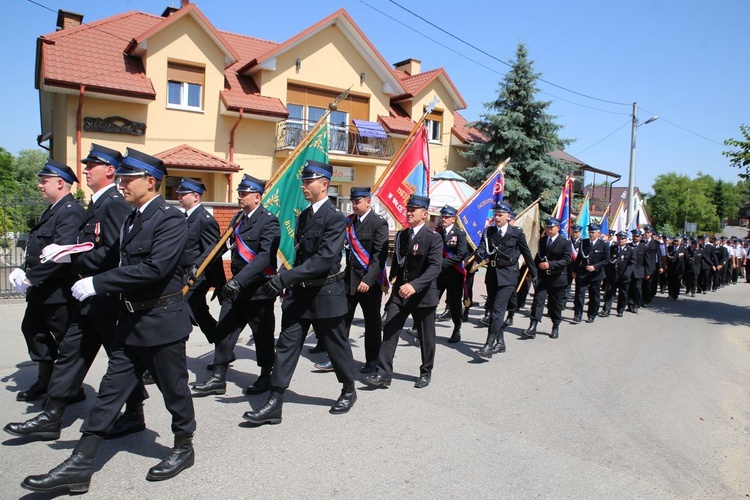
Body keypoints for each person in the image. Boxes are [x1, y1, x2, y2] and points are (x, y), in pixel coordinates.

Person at [22, 148, 196, 494]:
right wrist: (67, 253)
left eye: (128, 179)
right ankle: (79, 464)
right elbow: (109, 254)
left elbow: (154, 269)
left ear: (150, 181)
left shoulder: (170, 219)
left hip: (161, 322)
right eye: (120, 178)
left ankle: (183, 446)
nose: (121, 184)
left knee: (174, 390)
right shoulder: (132, 218)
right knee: (109, 392)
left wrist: (98, 283)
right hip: (129, 321)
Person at [5, 144, 148, 441]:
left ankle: (134, 413)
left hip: (104, 296)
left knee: (120, 357)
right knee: (72, 353)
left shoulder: (114, 203)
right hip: (86, 297)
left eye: (92, 165)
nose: (85, 169)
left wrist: (71, 256)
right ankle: (52, 414)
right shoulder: (97, 203)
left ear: (109, 170)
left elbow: (113, 252)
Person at [242, 160, 357, 425]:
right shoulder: (304, 216)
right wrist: (289, 280)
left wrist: (284, 278)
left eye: (308, 182)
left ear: (324, 184)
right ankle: (274, 402)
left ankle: (348, 388)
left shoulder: (335, 218)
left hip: (326, 293)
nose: (303, 186)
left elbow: (324, 259)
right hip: (300, 295)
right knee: (286, 345)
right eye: (303, 181)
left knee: (336, 345)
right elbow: (301, 256)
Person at [191, 174, 280, 397]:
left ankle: (266, 375)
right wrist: (200, 263)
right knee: (223, 331)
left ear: (257, 197)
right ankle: (218, 378)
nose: (239, 197)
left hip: (258, 289)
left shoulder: (269, 221)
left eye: (244, 193)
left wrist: (237, 280)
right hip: (237, 289)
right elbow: (221, 245)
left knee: (262, 335)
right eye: (239, 193)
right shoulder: (238, 219)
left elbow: (263, 258)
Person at [13, 159, 85, 402]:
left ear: (60, 183)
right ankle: (45, 381)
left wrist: (30, 278)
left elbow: (60, 255)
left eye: (44, 181)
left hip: (58, 293)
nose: (40, 185)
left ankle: (72, 389)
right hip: (42, 291)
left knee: (66, 342)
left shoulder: (70, 211)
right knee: (33, 331)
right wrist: (25, 273)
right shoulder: (53, 209)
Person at [363, 194, 442, 389]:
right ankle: (383, 374)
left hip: (423, 295)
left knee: (426, 337)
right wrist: (392, 280)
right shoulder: (402, 235)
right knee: (390, 330)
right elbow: (400, 262)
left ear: (424, 214)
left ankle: (426, 371)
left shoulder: (433, 238)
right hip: (401, 293)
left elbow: (435, 267)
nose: (409, 212)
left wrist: (415, 285)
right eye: (408, 209)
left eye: (413, 210)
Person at [475, 201, 537, 358]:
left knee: (497, 310)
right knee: (495, 310)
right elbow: (482, 247)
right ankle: (500, 343)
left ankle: (488, 345)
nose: (497, 218)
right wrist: (478, 254)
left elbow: (527, 253)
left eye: (500, 215)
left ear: (508, 216)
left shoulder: (516, 233)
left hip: (508, 275)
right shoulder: (489, 232)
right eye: (495, 215)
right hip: (492, 275)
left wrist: (534, 274)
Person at [339, 186, 389, 374]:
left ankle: (372, 360)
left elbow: (379, 256)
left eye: (357, 201)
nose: (354, 205)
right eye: (352, 202)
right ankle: (339, 358)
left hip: (370, 283)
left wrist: (368, 280)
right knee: (342, 321)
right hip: (349, 280)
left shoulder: (379, 223)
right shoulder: (349, 222)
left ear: (369, 202)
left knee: (372, 323)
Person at [179, 177, 226, 344]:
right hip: (183, 274)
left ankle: (169, 357)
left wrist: (219, 283)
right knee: (200, 313)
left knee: (179, 313)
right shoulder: (183, 217)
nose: (179, 196)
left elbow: (213, 252)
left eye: (183, 194)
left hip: (197, 276)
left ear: (196, 196)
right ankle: (224, 350)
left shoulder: (205, 220)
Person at [523, 217, 571, 339]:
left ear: (558, 228)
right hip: (543, 278)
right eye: (547, 227)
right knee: (538, 301)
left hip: (557, 278)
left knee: (555, 304)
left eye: (551, 227)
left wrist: (551, 264)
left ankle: (555, 325)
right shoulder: (543, 241)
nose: (549, 230)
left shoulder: (565, 243)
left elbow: (566, 260)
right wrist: (532, 270)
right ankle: (532, 326)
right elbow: (538, 257)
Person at [435, 205, 467, 343]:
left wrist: (443, 263)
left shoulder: (459, 234)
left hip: (454, 274)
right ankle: (421, 328)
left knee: (454, 304)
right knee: (431, 301)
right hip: (438, 275)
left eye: (447, 217)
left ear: (453, 219)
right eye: (442, 216)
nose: (443, 219)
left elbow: (460, 255)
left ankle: (457, 328)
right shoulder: (437, 232)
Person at [572, 223, 609, 323]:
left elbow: (606, 260)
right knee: (580, 294)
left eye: (593, 232)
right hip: (583, 272)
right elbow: (579, 257)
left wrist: (595, 267)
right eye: (590, 232)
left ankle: (592, 315)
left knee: (594, 295)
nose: (591, 234)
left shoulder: (604, 245)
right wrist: (575, 270)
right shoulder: (584, 242)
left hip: (596, 274)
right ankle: (577, 315)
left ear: (598, 233)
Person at [601, 231, 636, 317]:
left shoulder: (630, 250)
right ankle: (606, 310)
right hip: (612, 275)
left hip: (624, 276)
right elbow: (607, 260)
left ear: (626, 240)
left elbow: (632, 263)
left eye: (623, 239)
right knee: (609, 293)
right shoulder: (612, 248)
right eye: (619, 238)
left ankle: (620, 310)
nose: (621, 240)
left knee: (623, 294)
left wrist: (627, 273)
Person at [627, 229, 648, 313]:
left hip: (639, 271)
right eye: (634, 236)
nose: (635, 237)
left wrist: (648, 272)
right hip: (629, 271)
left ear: (640, 237)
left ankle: (637, 305)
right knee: (629, 288)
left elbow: (647, 261)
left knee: (637, 288)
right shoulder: (628, 246)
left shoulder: (644, 247)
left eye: (637, 236)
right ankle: (630, 304)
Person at [666, 235, 687, 299]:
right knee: (670, 281)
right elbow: (668, 257)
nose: (676, 242)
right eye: (675, 241)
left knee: (677, 281)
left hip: (679, 268)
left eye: (677, 241)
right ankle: (670, 293)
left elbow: (686, 258)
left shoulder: (683, 249)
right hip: (671, 267)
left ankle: (675, 294)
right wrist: (677, 256)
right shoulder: (670, 248)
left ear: (680, 241)